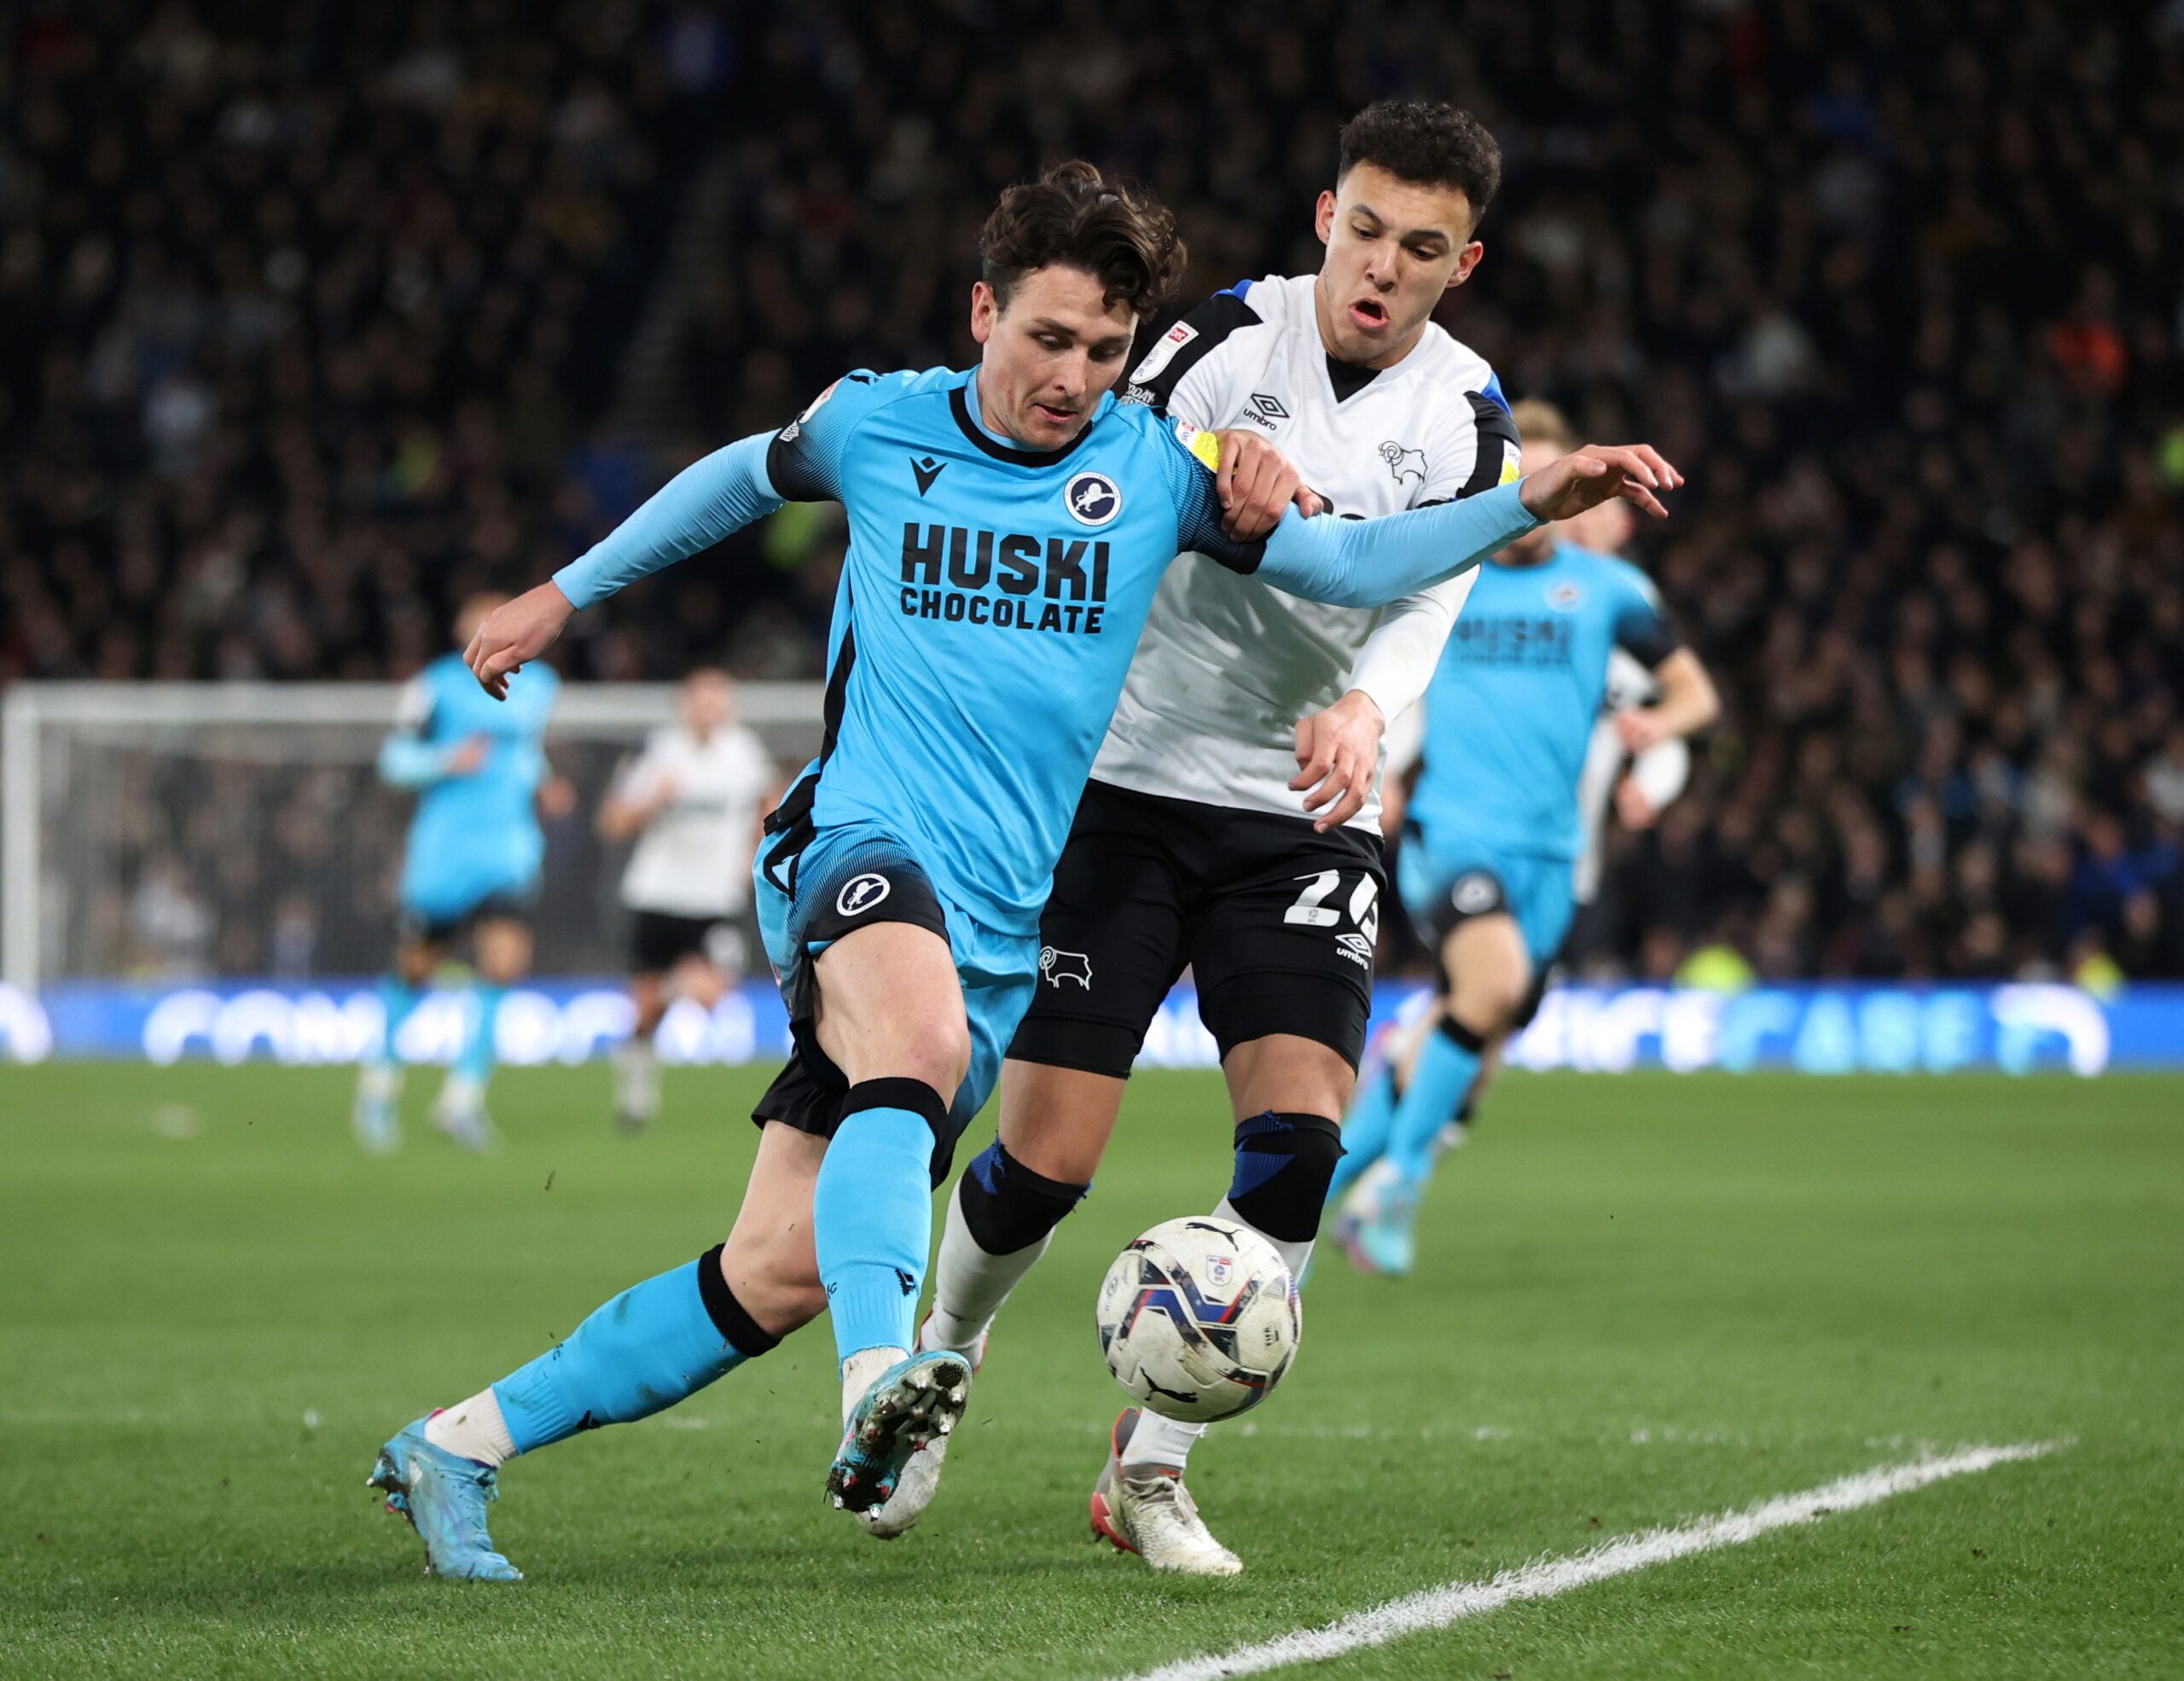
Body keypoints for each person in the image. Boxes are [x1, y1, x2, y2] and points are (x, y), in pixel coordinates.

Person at [364, 160, 1673, 1580]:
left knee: (774, 1272)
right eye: (1046, 338)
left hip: (997, 928)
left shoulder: (1159, 478)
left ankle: (458, 1446)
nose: (1071, 376)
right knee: (911, 1058)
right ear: (984, 310)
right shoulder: (880, 423)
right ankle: (889, 1392)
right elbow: (735, 479)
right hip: (852, 845)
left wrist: (1527, 496)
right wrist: (566, 593)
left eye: (1104, 352)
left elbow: (1358, 577)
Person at [868, 99, 1519, 1575]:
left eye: (1421, 248)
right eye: (1365, 230)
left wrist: (1366, 711)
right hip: (1124, 784)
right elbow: (1107, 444)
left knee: (1298, 1150)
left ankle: (1151, 1468)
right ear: (1323, 217)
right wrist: (1227, 450)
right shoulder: (1223, 337)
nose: (1383, 267)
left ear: (1460, 265)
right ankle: (940, 1368)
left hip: (1299, 813)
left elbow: (1431, 592)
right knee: (1046, 1160)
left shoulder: (1469, 416)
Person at [1327, 399, 1719, 1275]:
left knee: (1479, 1024)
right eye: (1522, 481)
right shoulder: (1446, 571)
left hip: (1555, 861)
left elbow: (1697, 693)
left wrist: (1663, 726)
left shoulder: (1609, 593)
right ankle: (1401, 1182)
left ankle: (1307, 1215)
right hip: (1453, 836)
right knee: (1490, 984)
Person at [351, 594, 566, 1154]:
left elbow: (524, 751)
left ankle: (462, 1100)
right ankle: (378, 1089)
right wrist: (444, 760)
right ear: (462, 629)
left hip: (509, 853)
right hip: (445, 858)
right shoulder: (434, 686)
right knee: (416, 971)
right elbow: (393, 761)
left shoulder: (539, 685)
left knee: (502, 965)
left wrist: (544, 781)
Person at [598, 666, 776, 1131]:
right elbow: (612, 822)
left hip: (713, 898)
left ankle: (673, 986)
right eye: (701, 701)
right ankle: (637, 1093)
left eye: (718, 701)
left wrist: (756, 850)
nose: (709, 711)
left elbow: (769, 806)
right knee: (643, 1017)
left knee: (713, 994)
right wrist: (651, 801)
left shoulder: (744, 753)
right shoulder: (658, 753)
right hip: (656, 894)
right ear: (685, 705)